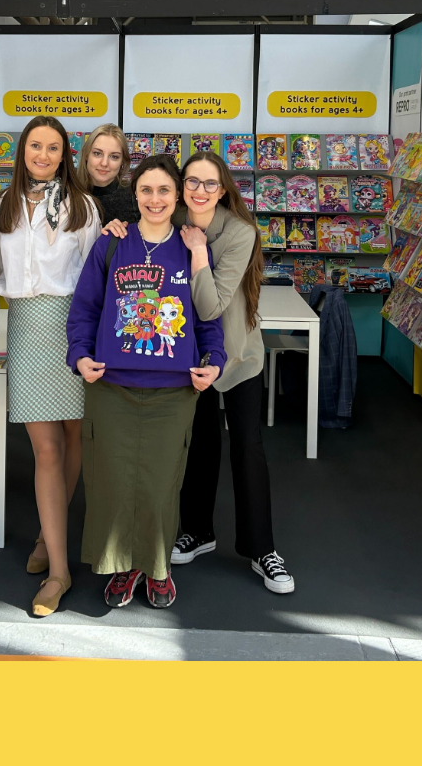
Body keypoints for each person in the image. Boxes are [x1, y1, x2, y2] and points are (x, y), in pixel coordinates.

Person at [104, 150, 295, 594]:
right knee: (199, 444)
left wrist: (197, 252)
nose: (200, 191)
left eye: (210, 183)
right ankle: (197, 530)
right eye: (192, 181)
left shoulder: (240, 231)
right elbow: (139, 241)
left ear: (223, 189)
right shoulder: (171, 216)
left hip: (238, 357)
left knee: (247, 447)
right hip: (191, 356)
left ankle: (262, 549)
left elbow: (210, 306)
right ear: (181, 186)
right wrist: (117, 228)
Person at [66, 154, 225, 609]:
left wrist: (214, 361)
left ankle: (157, 566)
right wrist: (79, 355)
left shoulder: (192, 247)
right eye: (146, 190)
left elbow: (207, 317)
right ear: (134, 195)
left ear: (177, 196)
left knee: (159, 486)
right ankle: (122, 566)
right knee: (112, 483)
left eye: (164, 190)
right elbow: (85, 309)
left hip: (173, 391)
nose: (155, 199)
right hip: (111, 387)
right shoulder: (112, 243)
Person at [0, 116, 101, 616]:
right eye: (35, 145)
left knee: (75, 438)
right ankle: (59, 570)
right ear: (22, 151)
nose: (43, 155)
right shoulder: (1, 205)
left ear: (64, 156)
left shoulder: (82, 206)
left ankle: (46, 535)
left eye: (53, 147)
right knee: (46, 449)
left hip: (73, 326)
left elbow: (95, 277)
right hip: (27, 328)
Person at [76, 122, 139, 225]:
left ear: (123, 161)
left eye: (114, 156)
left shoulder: (135, 196)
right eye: (97, 153)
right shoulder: (67, 193)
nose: (104, 163)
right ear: (86, 154)